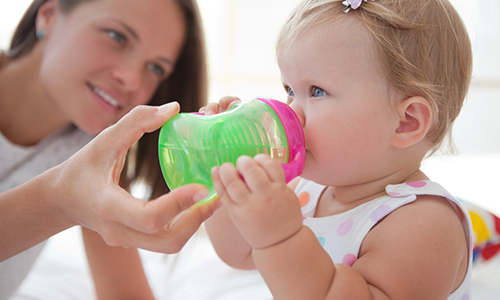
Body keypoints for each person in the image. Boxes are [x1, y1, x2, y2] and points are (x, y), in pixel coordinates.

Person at [204, 0, 474, 299]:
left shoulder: (423, 224)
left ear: (406, 123)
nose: (291, 111)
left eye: (317, 91)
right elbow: (238, 253)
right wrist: (226, 177)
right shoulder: (306, 189)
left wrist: (282, 240)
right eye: (289, 90)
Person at [0, 0, 218, 298]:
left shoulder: (93, 156)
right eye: (117, 37)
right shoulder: (77, 184)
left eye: (155, 67)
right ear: (49, 15)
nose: (130, 79)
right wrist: (59, 202)